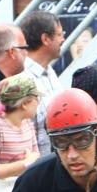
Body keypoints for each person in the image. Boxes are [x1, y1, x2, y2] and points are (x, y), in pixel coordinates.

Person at [0, 74, 41, 180]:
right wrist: (25, 164)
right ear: (24, 103)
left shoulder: (27, 123)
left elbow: (35, 156)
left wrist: (31, 161)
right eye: (36, 98)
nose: (38, 102)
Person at [21, 11, 66, 155]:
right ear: (45, 38)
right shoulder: (22, 78)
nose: (63, 39)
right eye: (59, 34)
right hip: (39, 165)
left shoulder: (50, 72)